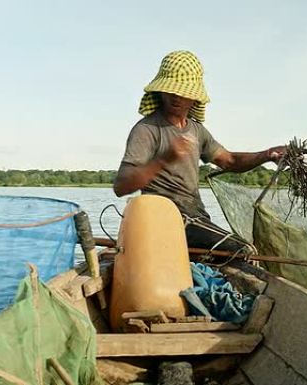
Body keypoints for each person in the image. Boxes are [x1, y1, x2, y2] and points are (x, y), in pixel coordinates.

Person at [113, 50, 284, 254]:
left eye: (183, 91)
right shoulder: (147, 130)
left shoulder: (197, 131)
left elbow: (229, 161)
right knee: (242, 250)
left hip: (196, 218)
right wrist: (165, 158)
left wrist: (267, 154)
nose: (176, 96)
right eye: (171, 89)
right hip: (164, 221)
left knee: (246, 250)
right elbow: (121, 186)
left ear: (194, 97)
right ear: (160, 90)